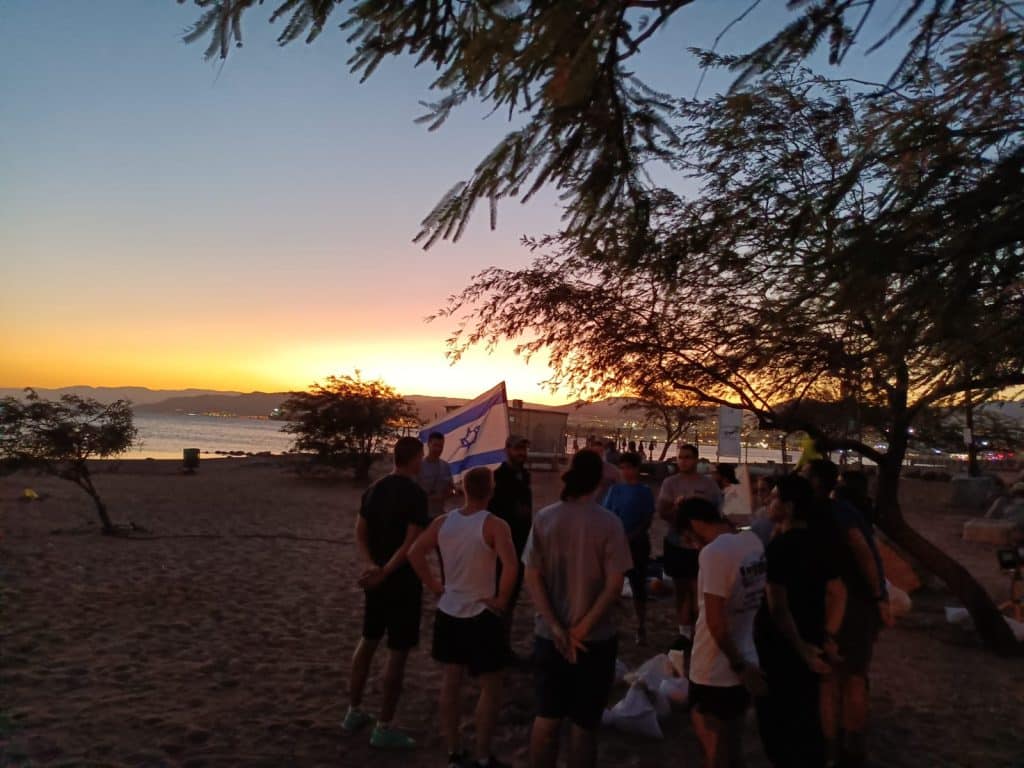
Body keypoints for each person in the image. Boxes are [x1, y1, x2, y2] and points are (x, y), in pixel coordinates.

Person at [523, 450, 633, 768]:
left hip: (550, 636)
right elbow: (614, 585)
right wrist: (582, 629)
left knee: (547, 717)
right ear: (598, 480)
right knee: (584, 725)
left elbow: (532, 576)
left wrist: (556, 626)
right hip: (595, 639)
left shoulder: (546, 518)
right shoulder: (609, 523)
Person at [408, 467, 520, 768]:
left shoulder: (444, 522)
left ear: (464, 490)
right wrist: (501, 600)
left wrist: (435, 586)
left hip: (450, 610)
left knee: (452, 682)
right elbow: (511, 566)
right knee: (490, 686)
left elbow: (415, 553)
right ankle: (482, 754)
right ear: (491, 490)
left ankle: (454, 752)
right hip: (481, 612)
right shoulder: (495, 525)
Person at [754, 475, 847, 768]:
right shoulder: (820, 542)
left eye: (774, 497)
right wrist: (828, 635)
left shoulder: (781, 548)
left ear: (790, 507)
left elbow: (778, 607)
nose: (768, 502)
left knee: (778, 720)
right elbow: (837, 592)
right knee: (805, 712)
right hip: (812, 634)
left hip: (782, 644)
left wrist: (801, 649)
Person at [343, 436, 429, 749]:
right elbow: (410, 542)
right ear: (415, 458)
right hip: (400, 582)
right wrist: (385, 571)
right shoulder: (416, 494)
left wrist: (371, 565)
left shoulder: (375, 489)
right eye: (421, 457)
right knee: (397, 652)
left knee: (368, 640)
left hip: (376, 580)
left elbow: (360, 531)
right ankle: (384, 726)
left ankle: (353, 711)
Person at [805, 460, 889, 768]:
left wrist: (878, 596)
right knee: (852, 676)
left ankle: (836, 749)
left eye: (805, 475)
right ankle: (850, 747)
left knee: (835, 680)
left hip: (846, 603)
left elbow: (863, 552)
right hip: (858, 601)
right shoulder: (846, 510)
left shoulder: (830, 513)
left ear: (816, 482)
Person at [678, 497, 767, 768]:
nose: (692, 545)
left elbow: (716, 622)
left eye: (688, 538)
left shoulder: (714, 553)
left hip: (715, 666)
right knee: (734, 745)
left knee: (715, 751)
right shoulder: (752, 542)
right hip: (746, 652)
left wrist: (738, 665)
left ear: (694, 524)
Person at [657, 444, 722, 653]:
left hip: (700, 546)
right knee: (681, 589)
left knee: (699, 589)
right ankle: (684, 632)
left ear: (696, 459)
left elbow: (717, 511)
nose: (683, 461)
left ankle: (699, 629)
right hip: (677, 543)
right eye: (680, 457)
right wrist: (676, 508)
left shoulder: (708, 484)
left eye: (687, 457)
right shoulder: (670, 483)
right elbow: (662, 511)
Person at [602, 452, 655, 644]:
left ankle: (640, 626)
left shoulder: (644, 491)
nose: (625, 471)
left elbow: (647, 519)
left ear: (637, 469)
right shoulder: (615, 490)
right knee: (611, 585)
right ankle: (610, 623)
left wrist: (631, 536)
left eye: (629, 467)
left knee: (638, 585)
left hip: (637, 543)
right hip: (616, 543)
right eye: (622, 468)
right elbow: (607, 514)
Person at [490, 434, 533, 652]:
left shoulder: (525, 476)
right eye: (517, 449)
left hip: (521, 543)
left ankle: (503, 646)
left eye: (524, 449)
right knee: (500, 594)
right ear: (507, 450)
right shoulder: (498, 477)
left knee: (512, 597)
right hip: (502, 545)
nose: (521, 453)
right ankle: (494, 647)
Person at [419, 431, 454, 519]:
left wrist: (452, 491)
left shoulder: (445, 466)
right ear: (428, 444)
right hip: (422, 515)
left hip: (440, 514)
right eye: (435, 445)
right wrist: (432, 498)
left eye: (441, 446)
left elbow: (450, 487)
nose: (438, 449)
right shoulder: (419, 466)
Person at [749, 475, 777, 546]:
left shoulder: (778, 513)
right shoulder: (758, 512)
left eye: (763, 490)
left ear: (772, 491)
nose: (759, 494)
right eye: (757, 490)